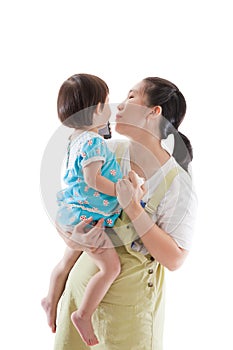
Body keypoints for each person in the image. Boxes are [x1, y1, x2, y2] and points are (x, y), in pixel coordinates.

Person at [51, 76, 197, 350]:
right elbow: (69, 203)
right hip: (78, 298)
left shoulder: (177, 184)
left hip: (127, 316)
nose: (118, 106)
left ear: (154, 112)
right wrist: (69, 244)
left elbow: (175, 259)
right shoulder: (106, 152)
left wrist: (132, 206)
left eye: (131, 97)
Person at [42, 73, 125, 346]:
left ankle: (49, 299)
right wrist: (121, 190)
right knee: (110, 268)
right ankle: (84, 314)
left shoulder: (74, 140)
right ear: (96, 110)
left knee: (66, 262)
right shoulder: (93, 142)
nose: (110, 109)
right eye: (107, 103)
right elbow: (93, 180)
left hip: (75, 212)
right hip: (90, 219)